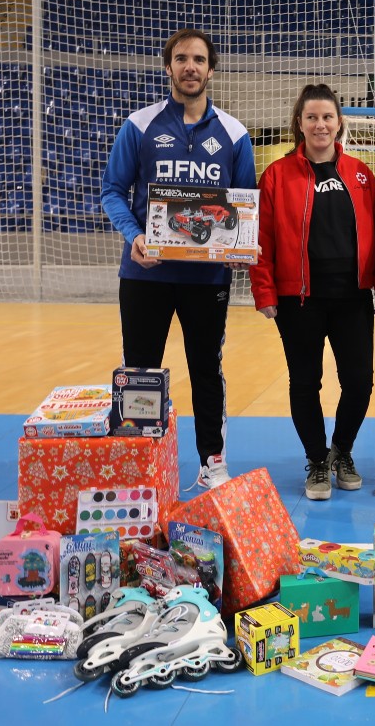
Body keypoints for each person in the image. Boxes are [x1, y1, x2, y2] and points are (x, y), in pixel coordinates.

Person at [100, 28, 256, 491]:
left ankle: (212, 461)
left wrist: (239, 248)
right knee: (140, 369)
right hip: (145, 274)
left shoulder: (234, 133)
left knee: (207, 369)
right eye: (182, 59)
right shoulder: (140, 125)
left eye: (200, 60)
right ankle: (139, 458)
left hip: (206, 280)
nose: (191, 67)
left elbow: (243, 203)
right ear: (168, 66)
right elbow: (112, 191)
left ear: (211, 69)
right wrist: (133, 235)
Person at [249, 84, 375, 501]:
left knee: (359, 382)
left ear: (339, 122)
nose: (320, 124)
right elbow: (261, 238)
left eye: (327, 117)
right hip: (300, 300)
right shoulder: (276, 176)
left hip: (352, 297)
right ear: (299, 123)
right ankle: (316, 460)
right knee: (305, 382)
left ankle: (341, 451)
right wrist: (265, 291)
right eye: (312, 117)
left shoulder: (362, 175)